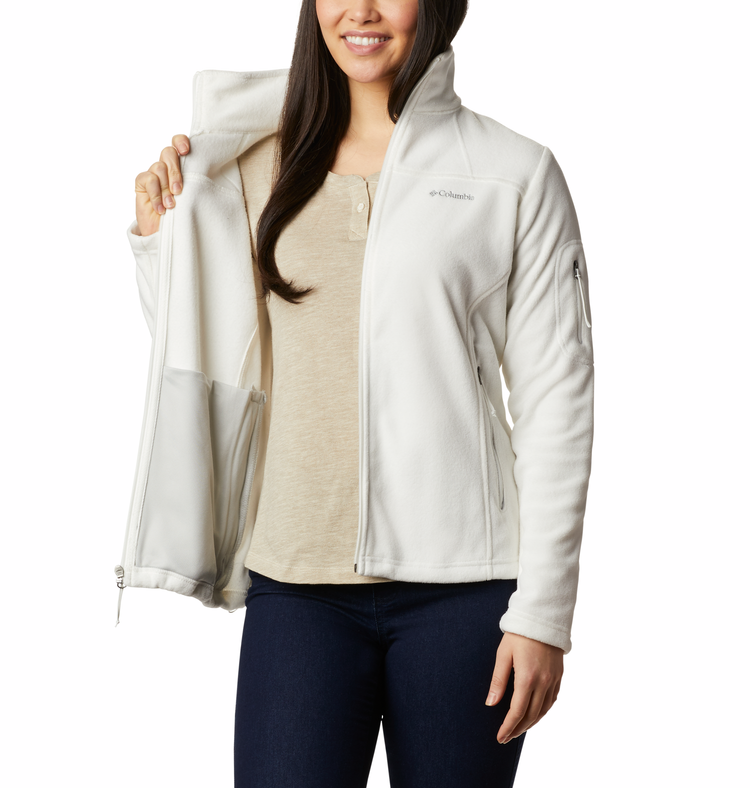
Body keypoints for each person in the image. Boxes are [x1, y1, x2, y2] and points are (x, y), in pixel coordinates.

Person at [118, 0, 595, 785]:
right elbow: (215, 356)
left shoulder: (513, 173)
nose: (361, 11)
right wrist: (156, 241)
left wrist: (543, 614)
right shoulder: (256, 164)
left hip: (463, 592)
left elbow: (558, 401)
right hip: (296, 584)